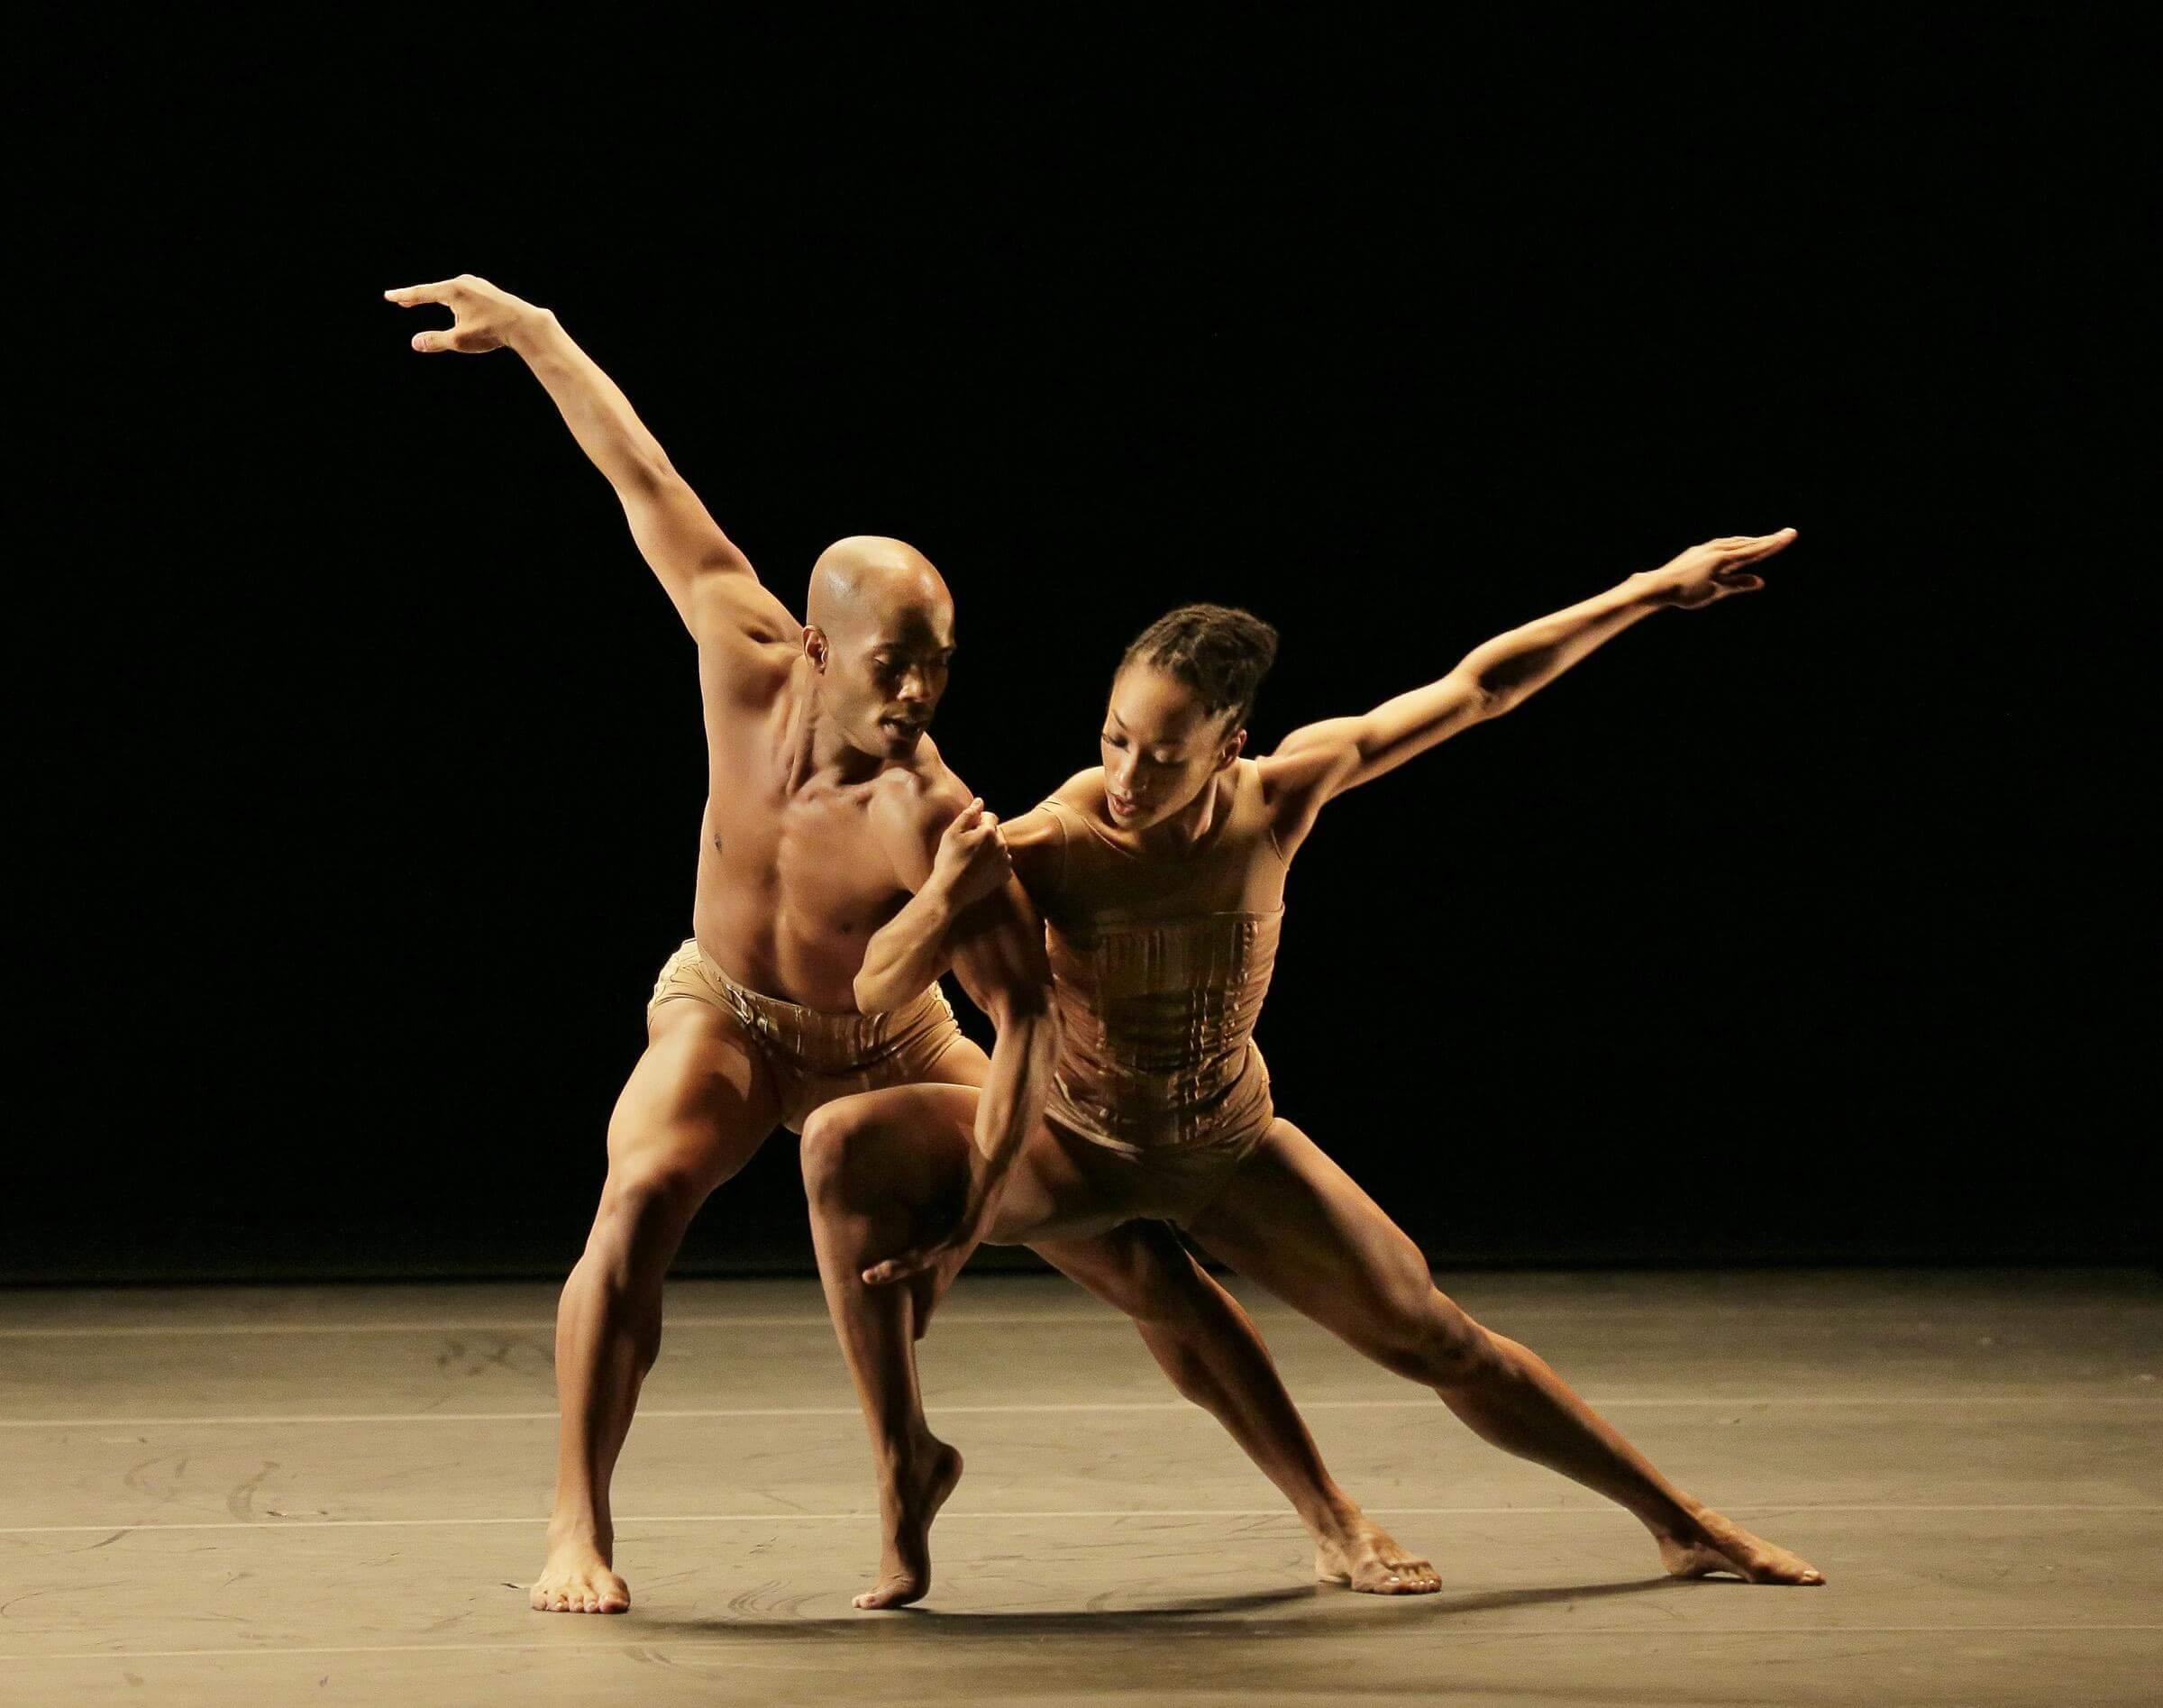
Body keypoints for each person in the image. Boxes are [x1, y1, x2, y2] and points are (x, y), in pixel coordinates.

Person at [384, 275, 1438, 1614]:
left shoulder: (932, 812)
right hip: (729, 1009)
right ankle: (575, 1524)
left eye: (938, 664)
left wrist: (1008, 1180)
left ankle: (1330, 1510)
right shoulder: (738, 645)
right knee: (639, 1190)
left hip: (891, 1039)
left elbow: (1016, 1021)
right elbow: (637, 471)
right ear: (816, 646)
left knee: (1137, 1257)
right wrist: (535, 333)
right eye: (892, 663)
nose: (919, 693)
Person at [805, 530, 1829, 1608]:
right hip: (1081, 1147)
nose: (1126, 775)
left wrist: (1649, 590)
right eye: (1113, 739)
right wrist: (941, 891)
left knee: (1436, 1337)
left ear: (1230, 744)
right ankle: (911, 1466)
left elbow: (1481, 688)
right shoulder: (1051, 840)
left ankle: (1682, 1521)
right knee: (849, 1142)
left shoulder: (1278, 798)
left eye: (1162, 755)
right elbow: (878, 985)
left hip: (1225, 1142)